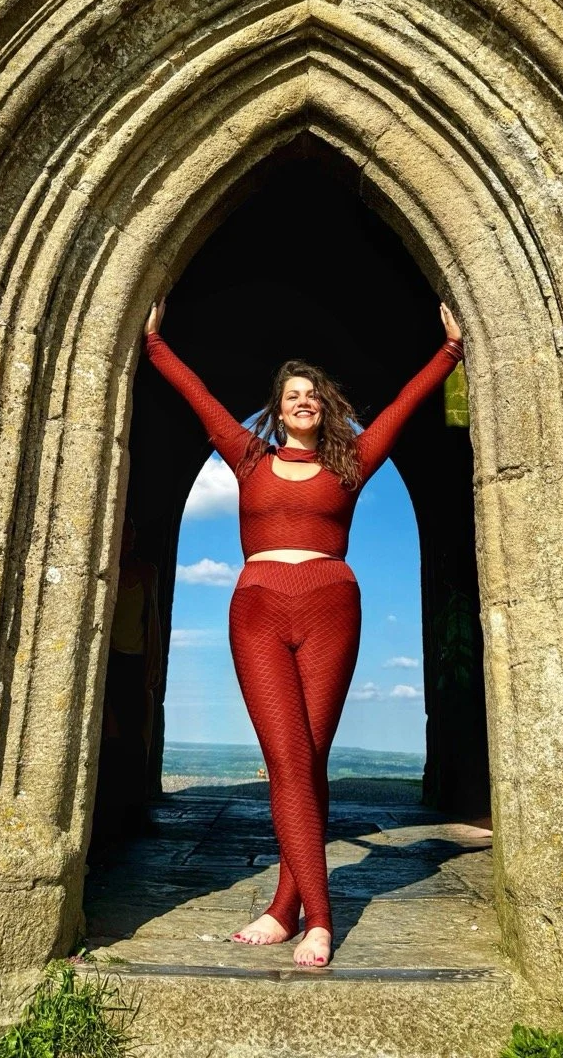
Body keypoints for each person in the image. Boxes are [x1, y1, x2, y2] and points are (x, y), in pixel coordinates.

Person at [142, 297, 465, 967]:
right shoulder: (246, 456)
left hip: (331, 607)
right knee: (287, 759)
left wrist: (451, 352)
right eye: (291, 395)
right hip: (258, 608)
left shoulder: (351, 463)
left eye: (312, 394)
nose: (302, 401)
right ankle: (322, 917)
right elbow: (198, 396)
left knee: (310, 760)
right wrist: (151, 343)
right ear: (277, 407)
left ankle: (289, 911)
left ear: (327, 406)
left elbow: (404, 407)